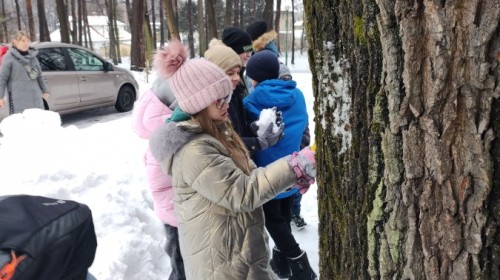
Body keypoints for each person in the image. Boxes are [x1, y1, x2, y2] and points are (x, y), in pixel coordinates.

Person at [149, 40, 316, 280]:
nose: (227, 103)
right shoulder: (195, 149)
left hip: (239, 253)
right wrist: (295, 165)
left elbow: (243, 177)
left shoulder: (219, 129)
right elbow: (242, 192)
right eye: (219, 99)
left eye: (227, 97)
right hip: (221, 264)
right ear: (199, 103)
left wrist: (290, 180)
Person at [243, 50, 318, 279]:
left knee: (274, 223)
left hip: (268, 173)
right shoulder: (298, 95)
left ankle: (300, 266)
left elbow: (249, 134)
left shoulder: (250, 101)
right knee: (283, 216)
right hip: (294, 168)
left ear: (254, 77)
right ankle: (282, 263)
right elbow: (303, 122)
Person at [132, 76, 186, 280]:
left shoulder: (167, 127)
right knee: (181, 267)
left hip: (176, 213)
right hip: (177, 215)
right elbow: (161, 186)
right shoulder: (169, 135)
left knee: (181, 262)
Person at [0, 31, 49, 114]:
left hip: (36, 98)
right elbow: (2, 78)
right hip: (18, 100)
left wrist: (45, 91)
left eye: (27, 41)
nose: (26, 43)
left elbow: (39, 76)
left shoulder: (32, 57)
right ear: (15, 42)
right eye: (23, 41)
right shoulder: (9, 58)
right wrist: (0, 97)